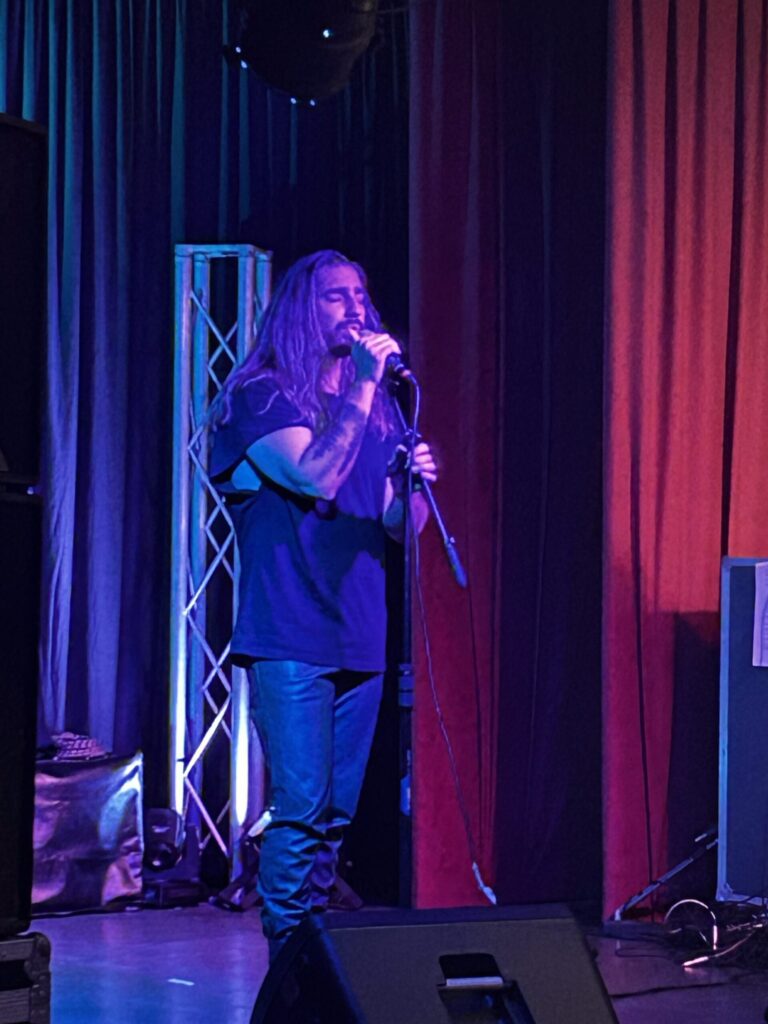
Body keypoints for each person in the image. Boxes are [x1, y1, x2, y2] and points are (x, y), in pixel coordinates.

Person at [208, 249, 437, 960]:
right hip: (289, 633)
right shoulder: (261, 396)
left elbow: (398, 528)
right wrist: (365, 386)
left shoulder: (378, 410)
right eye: (338, 296)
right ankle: (290, 963)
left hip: (359, 632)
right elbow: (316, 478)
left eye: (361, 294)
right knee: (302, 808)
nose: (357, 307)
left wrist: (415, 484)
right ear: (302, 310)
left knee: (336, 815)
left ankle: (316, 955)